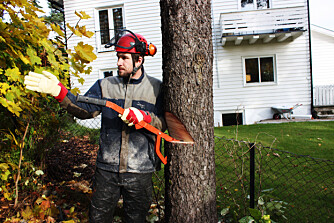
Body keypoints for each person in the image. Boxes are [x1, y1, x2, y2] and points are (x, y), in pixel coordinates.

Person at [24, 30, 166, 223]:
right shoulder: (105, 85)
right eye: (118, 57)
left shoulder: (156, 89)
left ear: (139, 60)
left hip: (140, 170)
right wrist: (58, 92)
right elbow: (84, 110)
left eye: (124, 58)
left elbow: (164, 123)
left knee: (136, 219)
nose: (118, 63)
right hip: (106, 170)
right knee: (98, 218)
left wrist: (145, 117)